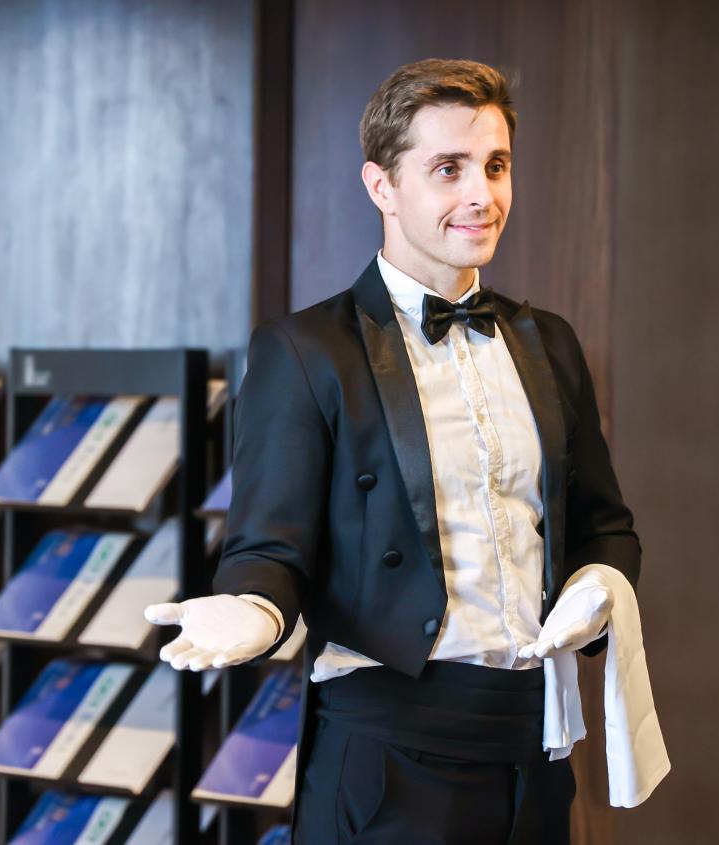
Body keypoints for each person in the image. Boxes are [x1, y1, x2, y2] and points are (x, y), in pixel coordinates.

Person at [145, 58, 642, 844]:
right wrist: (254, 608)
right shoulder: (306, 350)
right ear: (381, 186)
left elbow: (605, 525)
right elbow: (269, 548)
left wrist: (601, 582)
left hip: (533, 746)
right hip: (388, 754)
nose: (481, 194)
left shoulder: (550, 342)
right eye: (448, 169)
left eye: (496, 166)